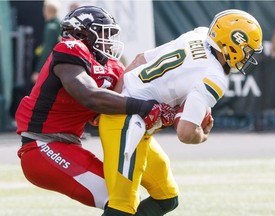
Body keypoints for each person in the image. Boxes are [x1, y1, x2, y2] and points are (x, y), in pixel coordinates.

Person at [99, 9, 263, 215]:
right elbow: (185, 133)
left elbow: (140, 59)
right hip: (126, 123)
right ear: (232, 44)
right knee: (122, 206)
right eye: (247, 49)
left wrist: (112, 98)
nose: (247, 56)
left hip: (133, 120)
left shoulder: (199, 34)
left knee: (166, 197)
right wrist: (201, 136)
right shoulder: (215, 77)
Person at [15, 6, 174, 210]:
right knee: (121, 202)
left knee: (132, 200)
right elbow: (88, 95)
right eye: (103, 33)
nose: (109, 41)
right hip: (42, 146)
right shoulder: (70, 48)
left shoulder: (112, 67)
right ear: (82, 34)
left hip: (69, 146)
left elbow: (129, 97)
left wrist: (176, 110)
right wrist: (144, 107)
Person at [31, 0, 61, 84]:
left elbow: (47, 50)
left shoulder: (50, 27)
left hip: (50, 68)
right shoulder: (60, 24)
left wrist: (38, 71)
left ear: (47, 10)